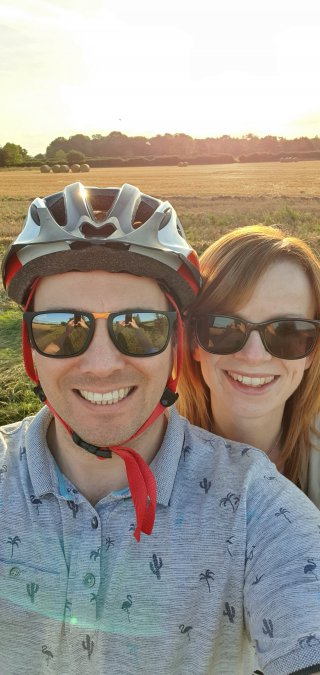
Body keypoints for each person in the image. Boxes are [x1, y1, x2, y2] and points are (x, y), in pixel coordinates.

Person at [1, 187, 320, 675]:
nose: (103, 364)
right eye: (62, 328)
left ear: (174, 343)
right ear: (29, 349)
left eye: (139, 327)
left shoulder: (256, 506)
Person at [178, 224, 320, 507]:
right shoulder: (151, 455)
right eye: (224, 327)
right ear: (193, 341)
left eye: (288, 331)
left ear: (311, 353)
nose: (254, 355)